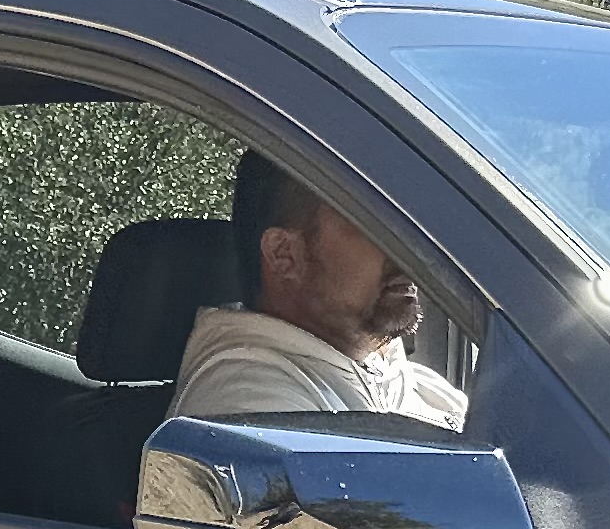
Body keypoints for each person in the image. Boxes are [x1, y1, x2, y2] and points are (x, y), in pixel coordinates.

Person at [172, 152, 469, 430]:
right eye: (376, 226)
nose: (411, 252)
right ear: (284, 254)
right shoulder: (250, 405)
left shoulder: (399, 377)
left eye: (410, 227)